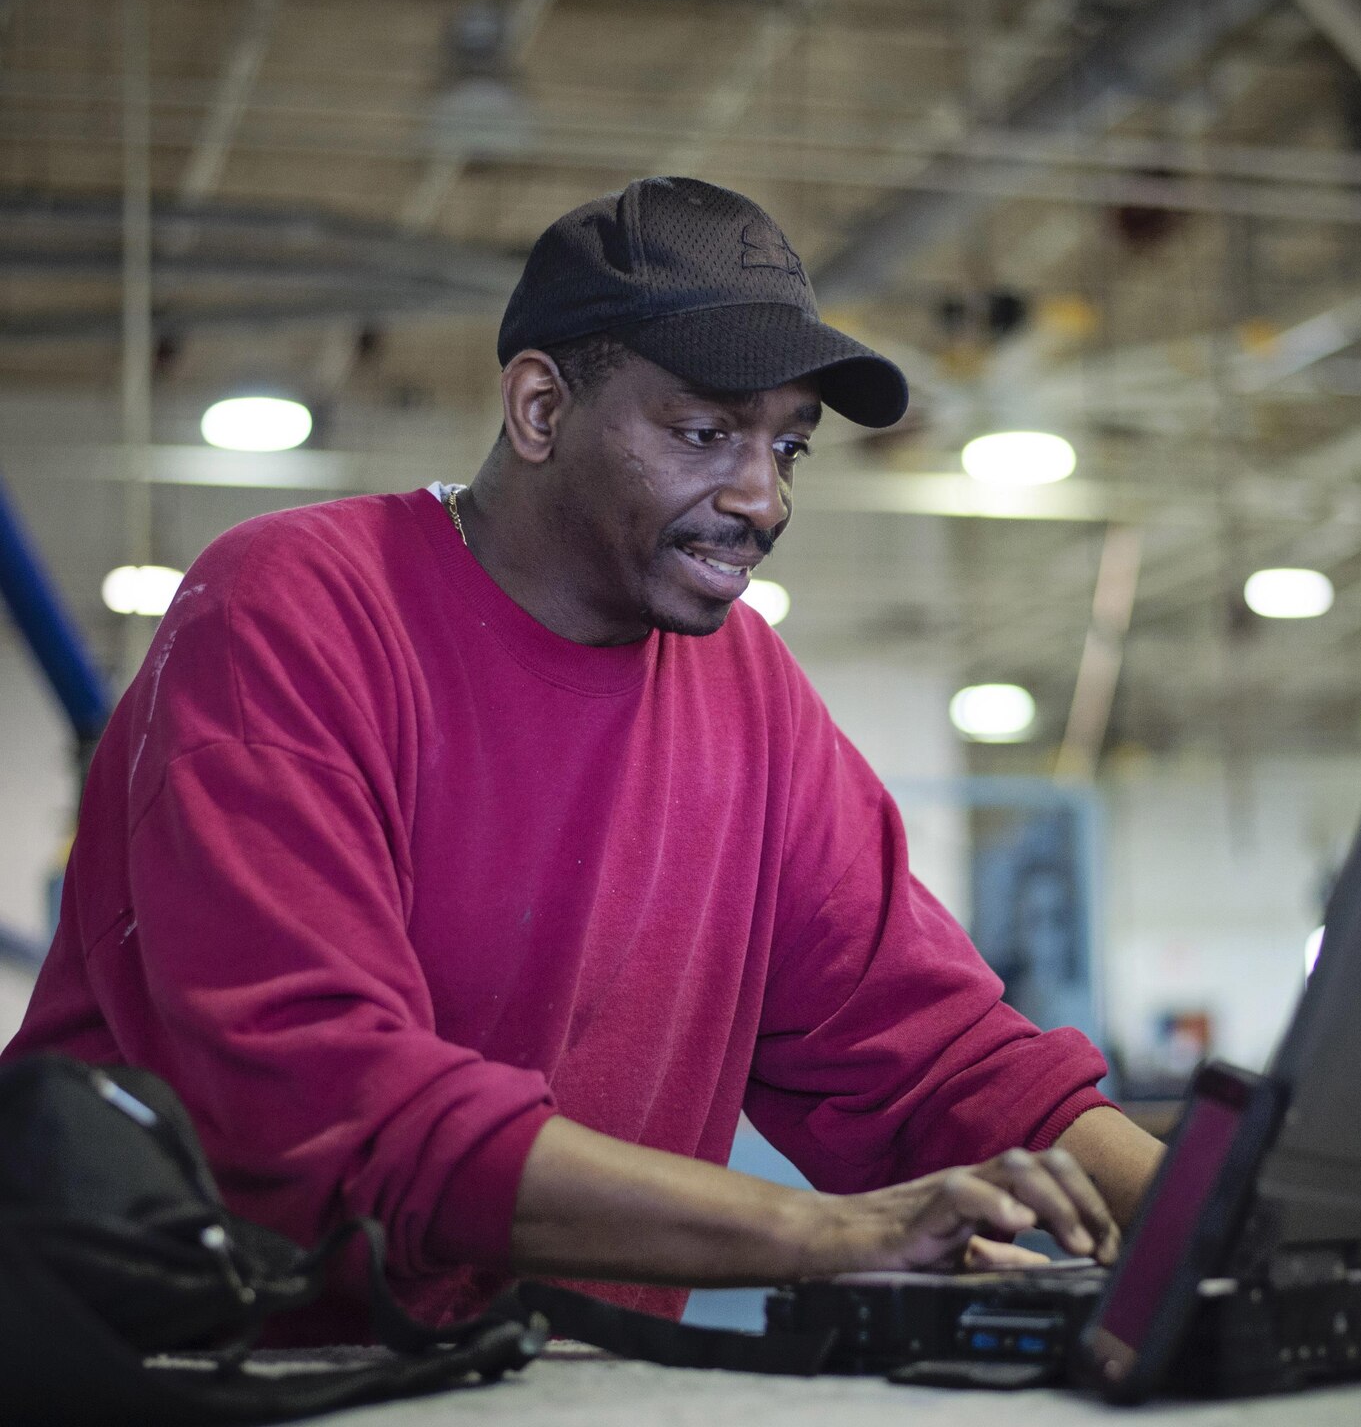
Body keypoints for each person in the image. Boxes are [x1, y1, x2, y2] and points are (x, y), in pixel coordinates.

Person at [2, 177, 1164, 1342]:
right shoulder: (292, 611)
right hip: (201, 1361)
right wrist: (834, 1232)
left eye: (789, 447)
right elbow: (336, 1109)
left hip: (529, 1374)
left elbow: (933, 1060)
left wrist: (1212, 1215)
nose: (761, 498)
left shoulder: (747, 694)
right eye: (706, 432)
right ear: (540, 409)